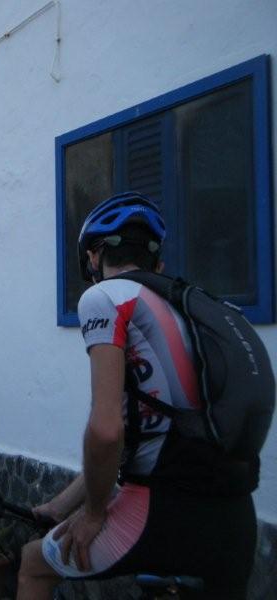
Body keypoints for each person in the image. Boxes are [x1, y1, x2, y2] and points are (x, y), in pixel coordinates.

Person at [16, 192, 257, 600]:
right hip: (236, 516)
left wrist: (94, 513)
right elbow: (140, 433)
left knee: (33, 566)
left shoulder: (106, 297)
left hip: (158, 508)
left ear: (93, 258)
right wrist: (60, 506)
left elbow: (107, 431)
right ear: (158, 265)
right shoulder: (202, 310)